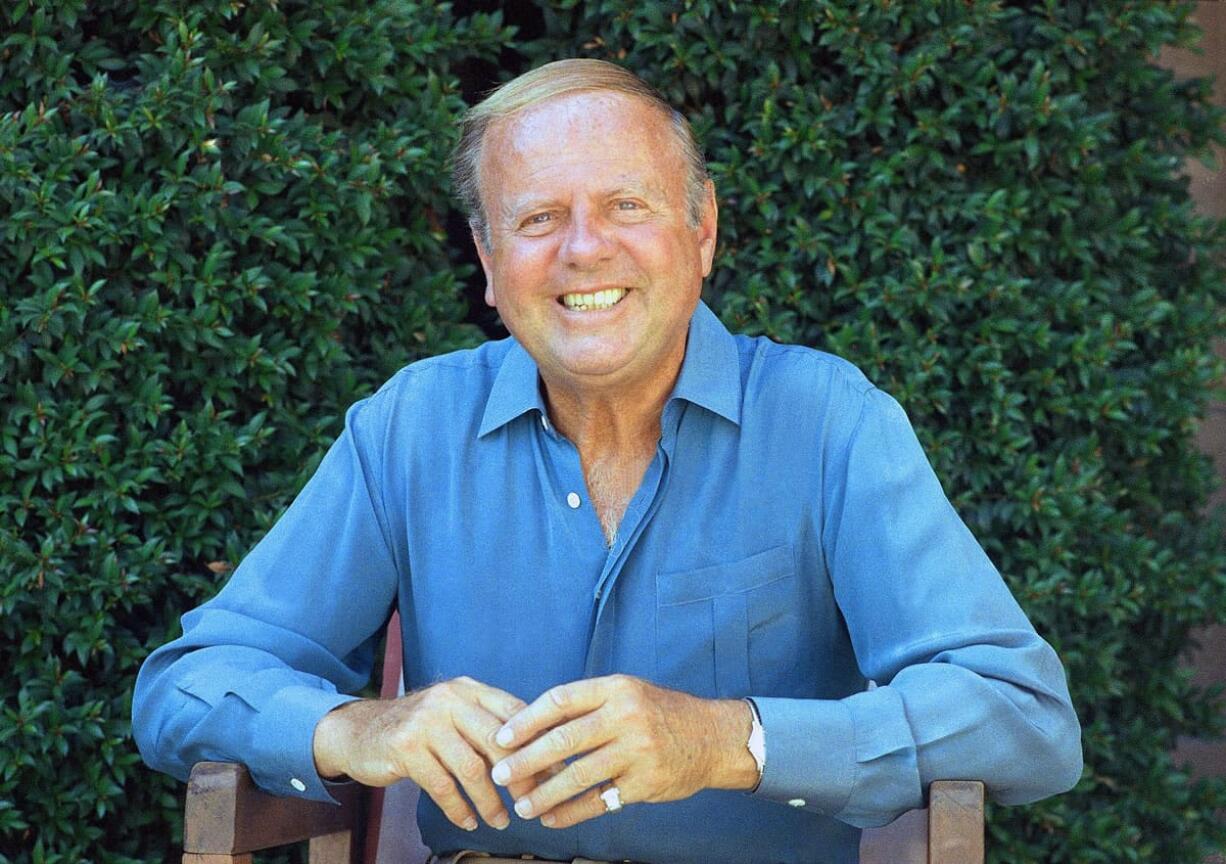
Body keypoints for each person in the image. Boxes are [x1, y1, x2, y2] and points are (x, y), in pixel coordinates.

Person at [133, 59, 1083, 864]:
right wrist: (353, 729)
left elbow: (1022, 717)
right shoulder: (411, 425)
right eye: (539, 218)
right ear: (489, 260)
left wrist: (730, 740)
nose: (586, 250)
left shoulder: (829, 423)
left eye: (626, 205)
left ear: (701, 230)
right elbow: (187, 683)